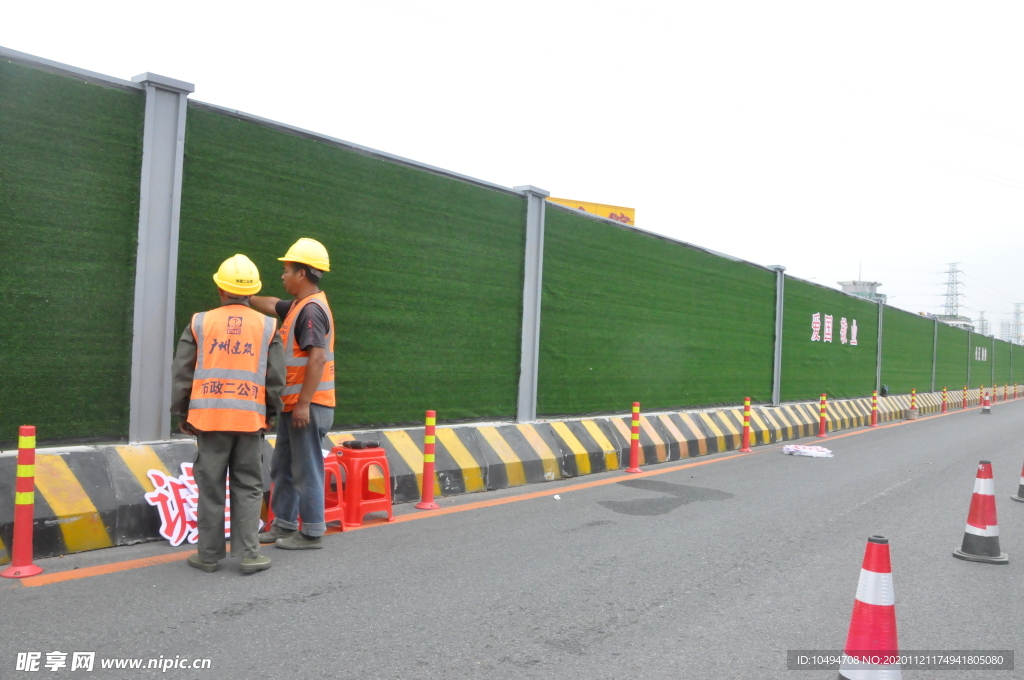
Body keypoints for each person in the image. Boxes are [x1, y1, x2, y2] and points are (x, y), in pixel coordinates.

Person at [170, 254, 286, 574]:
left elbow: (183, 372)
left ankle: (208, 555)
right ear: (251, 293)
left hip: (208, 419)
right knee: (248, 484)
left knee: (211, 485)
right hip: (249, 420)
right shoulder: (266, 325)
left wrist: (182, 413)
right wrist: (271, 413)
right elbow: (276, 377)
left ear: (220, 288)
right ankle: (250, 554)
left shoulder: (199, 322)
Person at [250, 238, 335, 550]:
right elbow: (273, 304)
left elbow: (317, 358)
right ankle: (283, 524)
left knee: (305, 468)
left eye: (286, 270)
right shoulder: (300, 307)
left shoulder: (311, 311)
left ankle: (312, 532)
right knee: (284, 465)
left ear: (302, 274)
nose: (283, 275)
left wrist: (303, 404)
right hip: (294, 406)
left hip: (307, 408)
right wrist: (243, 297)